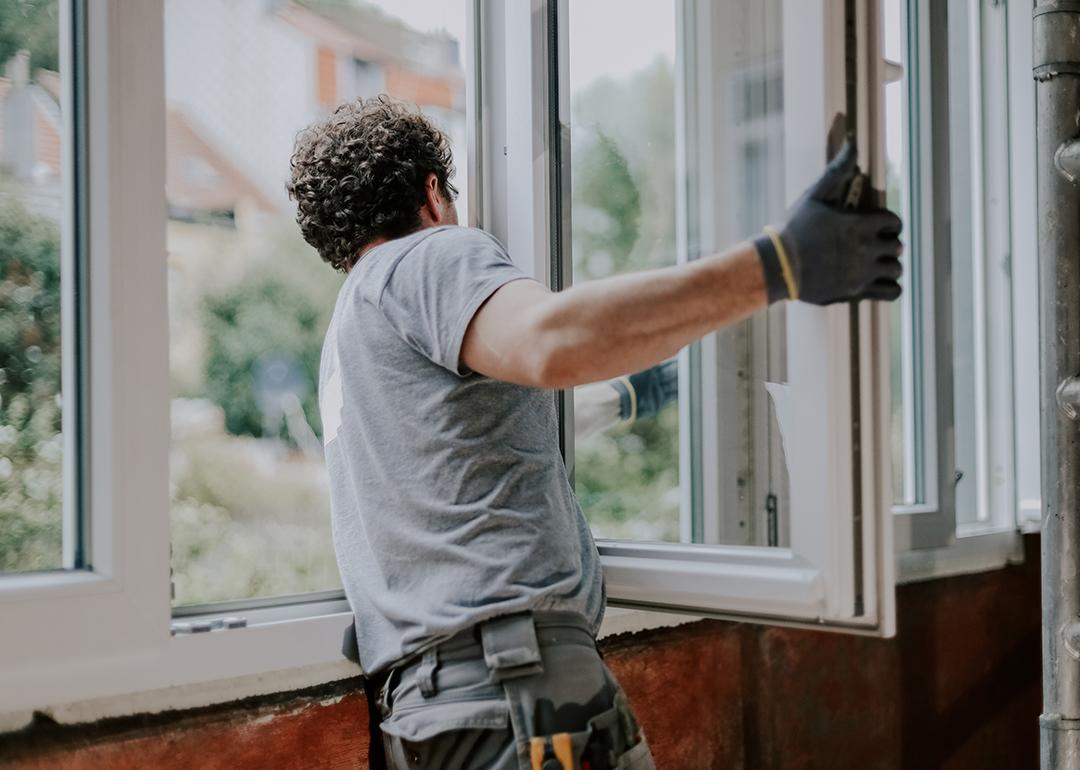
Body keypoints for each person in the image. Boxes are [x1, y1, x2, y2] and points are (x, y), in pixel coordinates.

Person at [287, 96, 902, 770]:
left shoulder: (349, 337)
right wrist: (780, 265)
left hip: (431, 718)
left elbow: (470, 449)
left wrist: (637, 390)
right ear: (432, 194)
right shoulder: (429, 257)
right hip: (513, 697)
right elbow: (549, 342)